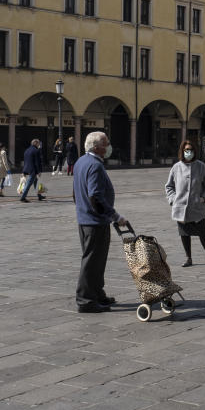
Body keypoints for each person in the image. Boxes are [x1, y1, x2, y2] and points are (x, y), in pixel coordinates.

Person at [72, 131, 125, 313]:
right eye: (106, 143)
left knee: (97, 259)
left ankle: (97, 293)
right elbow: (95, 195)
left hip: (85, 219)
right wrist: (114, 216)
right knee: (92, 260)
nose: (108, 147)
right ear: (96, 147)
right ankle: (85, 300)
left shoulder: (81, 162)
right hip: (95, 222)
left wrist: (82, 209)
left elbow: (75, 193)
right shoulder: (95, 166)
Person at [166, 140, 205, 268]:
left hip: (197, 208)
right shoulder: (176, 167)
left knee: (203, 233)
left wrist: (203, 198)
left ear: (194, 152)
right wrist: (173, 199)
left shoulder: (200, 166)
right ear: (182, 152)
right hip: (180, 208)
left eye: (190, 150)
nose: (188, 152)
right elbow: (169, 186)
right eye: (186, 150)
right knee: (184, 234)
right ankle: (188, 258)